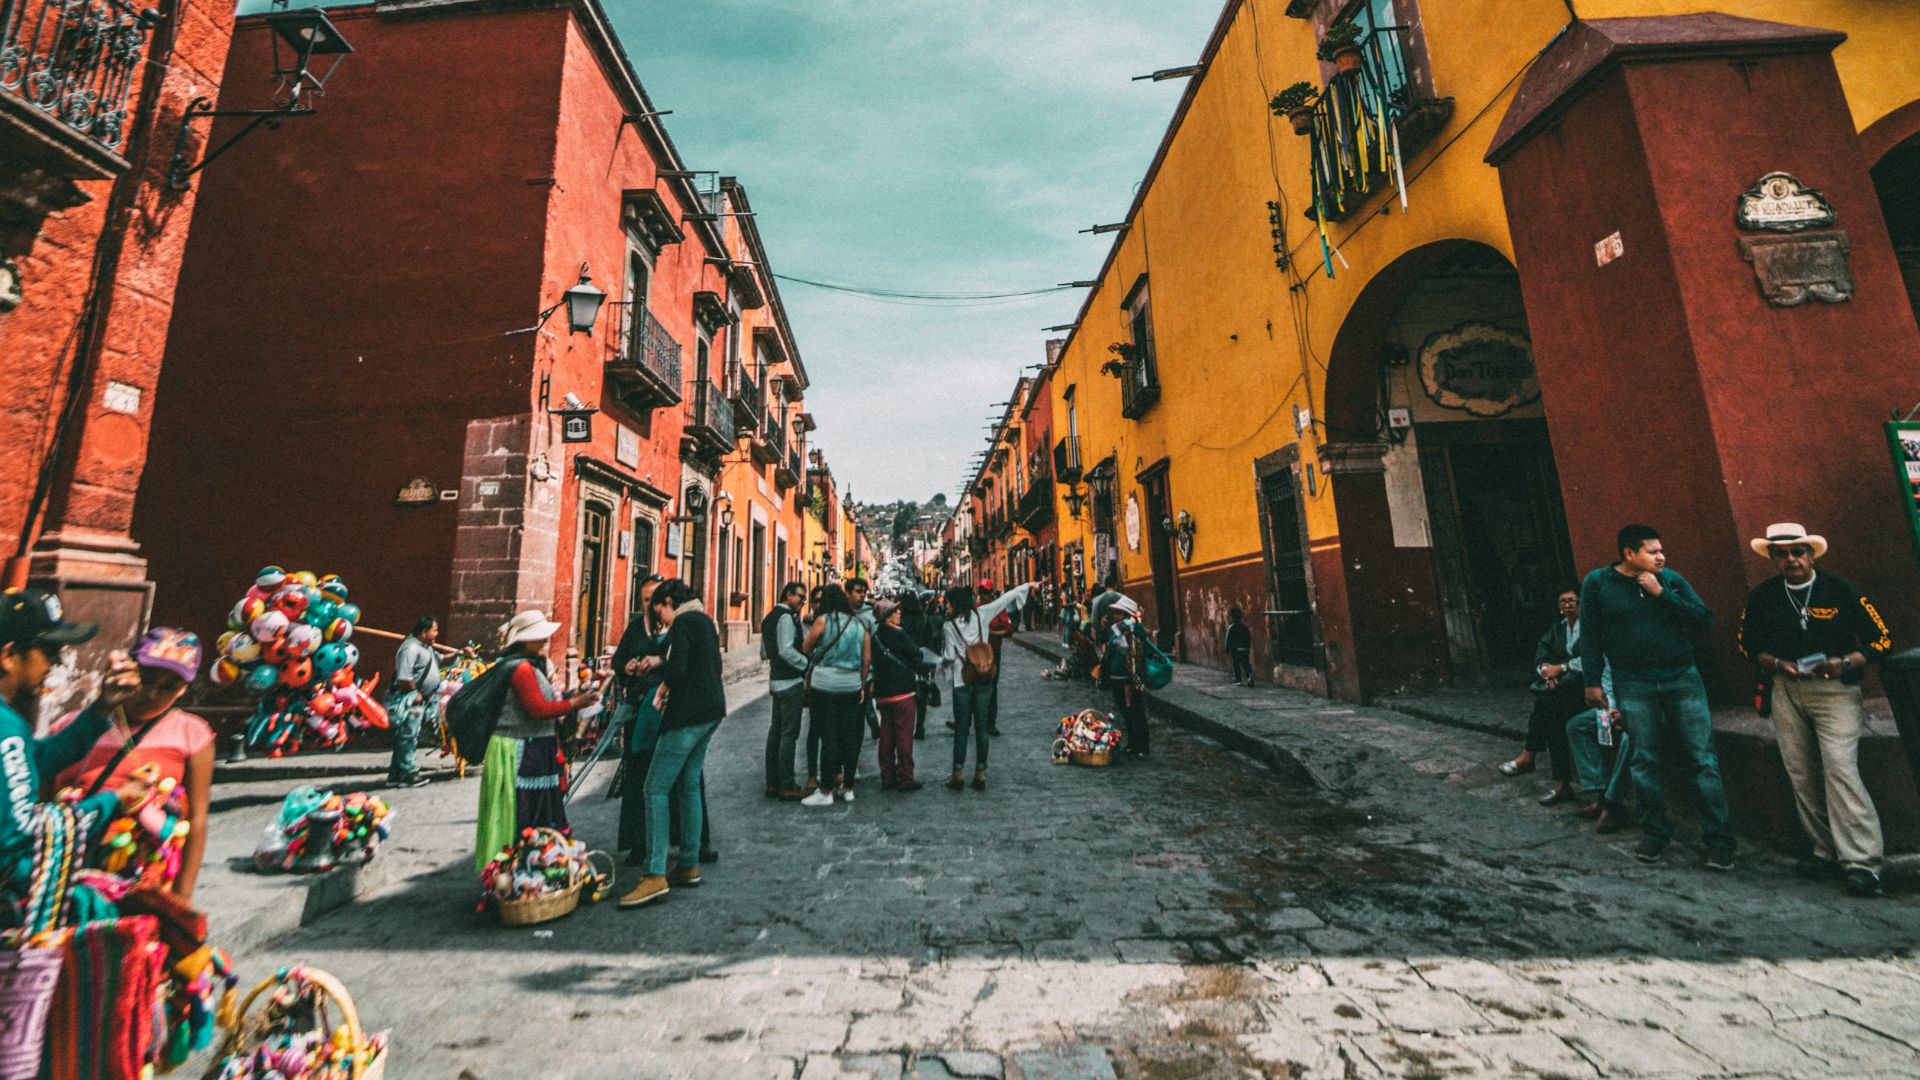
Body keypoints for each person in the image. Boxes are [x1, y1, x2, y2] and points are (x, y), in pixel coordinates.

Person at [1736, 523, 1893, 897]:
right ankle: (1825, 852)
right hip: (1786, 689)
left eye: (1798, 552)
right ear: (1773, 559)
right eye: (1782, 554)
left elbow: (1881, 638)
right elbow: (1745, 644)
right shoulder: (1763, 597)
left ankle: (1863, 863)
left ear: (1811, 554)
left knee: (1840, 768)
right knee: (1801, 773)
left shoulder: (1840, 589)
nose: (1791, 560)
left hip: (1835, 691)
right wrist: (1776, 663)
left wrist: (1847, 662)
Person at [1578, 524, 1734, 870]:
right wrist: (1593, 682)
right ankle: (1655, 833)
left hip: (1682, 679)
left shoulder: (1671, 580)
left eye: (1662, 550)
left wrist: (1663, 594)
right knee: (1644, 760)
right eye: (1652, 551)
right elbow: (1590, 634)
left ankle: (1719, 841)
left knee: (1702, 759)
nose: (1661, 557)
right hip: (1633, 683)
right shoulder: (1598, 583)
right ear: (1629, 554)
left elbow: (1704, 620)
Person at [1, 589, 151, 922]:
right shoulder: (6, 728)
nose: (56, 662)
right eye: (49, 650)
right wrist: (113, 801)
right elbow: (20, 834)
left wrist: (101, 709)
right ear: (9, 655)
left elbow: (34, 764)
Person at [52, 627, 215, 900]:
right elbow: (43, 803)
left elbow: (196, 819)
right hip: (70, 874)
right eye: (146, 679)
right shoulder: (73, 727)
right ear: (128, 669)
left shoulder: (192, 734)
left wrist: (182, 896)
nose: (152, 694)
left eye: (168, 687)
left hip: (147, 879)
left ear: (183, 689)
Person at [621, 580, 727, 907]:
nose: (662, 619)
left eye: (661, 611)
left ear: (670, 601)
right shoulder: (706, 621)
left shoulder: (683, 622)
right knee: (690, 785)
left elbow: (678, 669)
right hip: (711, 711)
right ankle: (689, 863)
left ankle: (654, 874)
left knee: (655, 787)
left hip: (687, 716)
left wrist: (662, 692)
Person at [474, 610, 599, 873]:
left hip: (532, 744)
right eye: (539, 637)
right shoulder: (520, 669)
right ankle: (515, 869)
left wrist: (568, 697)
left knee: (531, 807)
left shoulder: (530, 665)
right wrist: (574, 703)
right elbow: (537, 709)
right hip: (518, 746)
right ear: (523, 640)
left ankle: (535, 868)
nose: (544, 641)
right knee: (521, 810)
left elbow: (544, 702)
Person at [939, 581, 1033, 791]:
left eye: (948, 604)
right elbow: (1005, 599)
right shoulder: (982, 614)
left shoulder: (948, 626)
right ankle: (981, 772)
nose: (947, 607)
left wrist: (940, 667)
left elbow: (949, 656)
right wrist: (1027, 586)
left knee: (962, 729)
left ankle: (958, 773)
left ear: (955, 604)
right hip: (983, 679)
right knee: (982, 727)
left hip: (962, 681)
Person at [1499, 588, 1585, 806]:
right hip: (1560, 691)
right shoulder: (1556, 630)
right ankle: (1559, 783)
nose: (1567, 605)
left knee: (1548, 706)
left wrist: (1562, 668)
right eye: (1562, 601)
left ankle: (1530, 755)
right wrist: (1547, 672)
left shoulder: (1591, 629)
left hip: (1584, 688)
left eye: (1572, 600)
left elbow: (1592, 658)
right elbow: (1543, 656)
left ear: (1581, 603)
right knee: (1554, 715)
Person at [611, 575, 668, 864]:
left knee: (675, 778)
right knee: (637, 778)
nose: (651, 605)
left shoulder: (676, 626)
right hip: (638, 713)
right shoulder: (636, 628)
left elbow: (685, 663)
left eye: (656, 599)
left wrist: (659, 661)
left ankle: (688, 840)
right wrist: (628, 666)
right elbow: (617, 660)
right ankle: (638, 843)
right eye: (646, 599)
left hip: (667, 713)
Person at [798, 584, 870, 808]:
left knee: (828, 736)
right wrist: (860, 683)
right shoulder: (860, 624)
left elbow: (805, 648)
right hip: (851, 684)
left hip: (825, 685)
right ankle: (848, 788)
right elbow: (866, 660)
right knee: (849, 736)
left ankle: (826, 790)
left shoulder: (823, 621)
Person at [871, 599, 934, 792]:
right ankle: (906, 778)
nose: (899, 613)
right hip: (903, 692)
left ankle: (887, 776)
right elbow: (917, 653)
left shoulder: (876, 636)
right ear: (887, 616)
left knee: (886, 737)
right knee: (904, 737)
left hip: (883, 693)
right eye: (895, 611)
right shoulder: (899, 633)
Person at [762, 581, 809, 800]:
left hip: (776, 681)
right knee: (788, 735)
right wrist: (806, 665)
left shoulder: (768, 618)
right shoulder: (785, 617)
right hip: (790, 683)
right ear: (788, 594)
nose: (802, 601)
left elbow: (764, 652)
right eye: (799, 596)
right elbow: (786, 651)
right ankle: (787, 784)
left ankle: (772, 782)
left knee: (776, 733)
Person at [384, 616, 441, 789]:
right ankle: (408, 773)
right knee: (408, 737)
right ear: (424, 632)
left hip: (419, 699)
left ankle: (395, 775)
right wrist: (414, 692)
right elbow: (404, 676)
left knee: (406, 736)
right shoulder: (409, 648)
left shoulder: (426, 648)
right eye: (435, 630)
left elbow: (441, 659)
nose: (436, 633)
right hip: (408, 700)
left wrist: (460, 653)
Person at [1101, 597, 1151, 759]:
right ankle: (1132, 743)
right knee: (1125, 713)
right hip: (1116, 679)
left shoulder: (1136, 629)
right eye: (1115, 612)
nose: (1115, 616)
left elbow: (1140, 651)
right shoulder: (1115, 629)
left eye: (1119, 613)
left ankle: (1142, 746)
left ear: (1127, 614)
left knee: (1135, 712)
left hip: (1129, 679)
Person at [1225, 607, 1253, 686]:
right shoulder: (1244, 627)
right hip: (1244, 649)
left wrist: (1226, 648)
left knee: (1236, 664)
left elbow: (1228, 639)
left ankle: (1238, 679)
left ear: (1232, 617)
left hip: (1235, 649)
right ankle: (1249, 675)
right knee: (1245, 663)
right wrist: (1248, 648)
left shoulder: (1231, 628)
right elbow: (1248, 638)